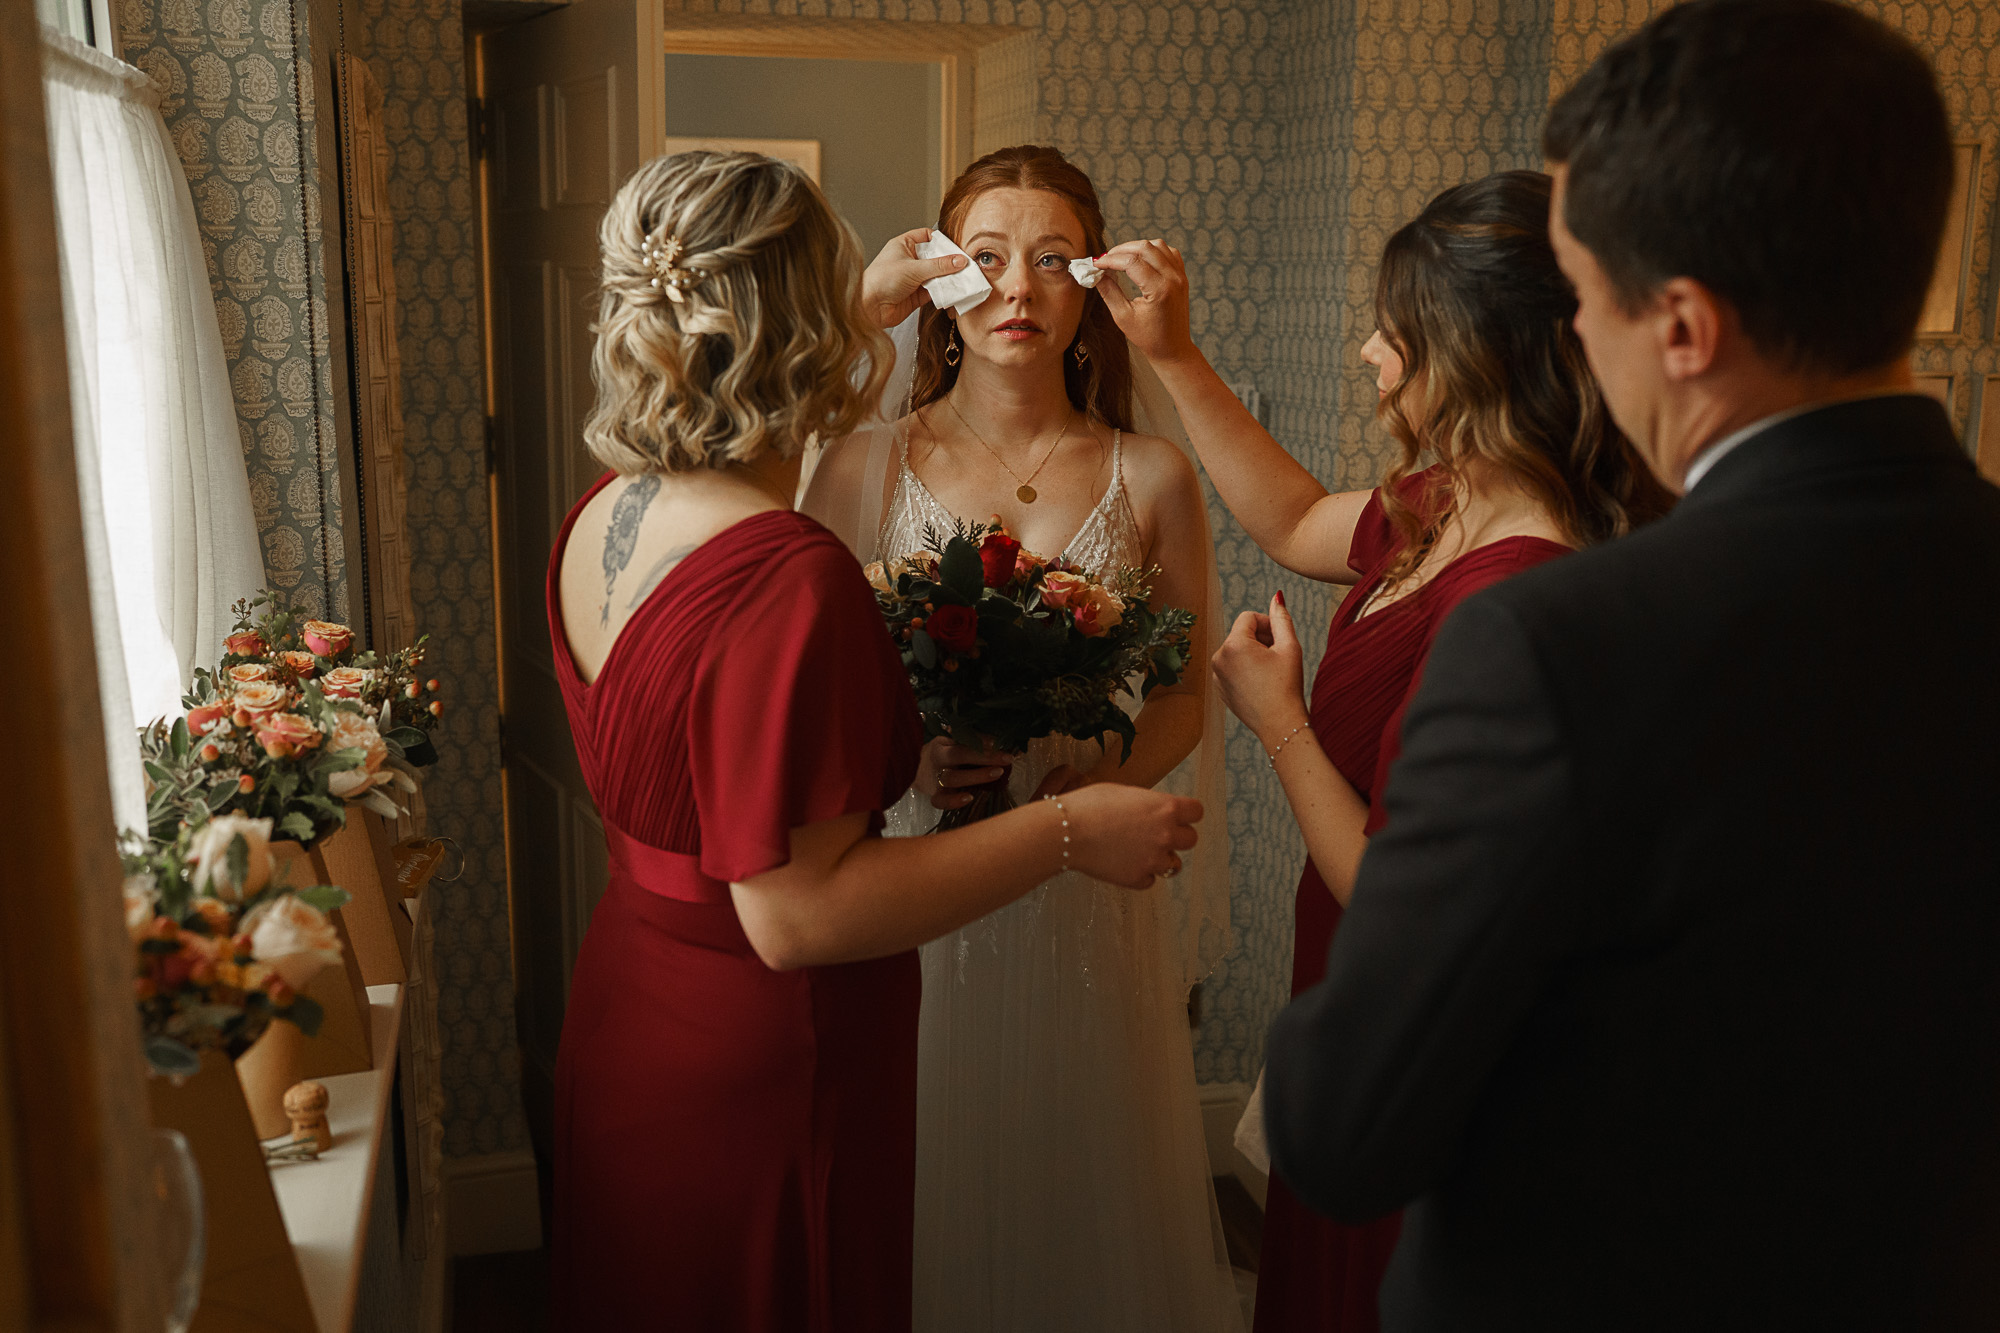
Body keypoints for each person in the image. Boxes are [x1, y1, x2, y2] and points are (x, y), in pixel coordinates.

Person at [1261, 2, 2000, 1328]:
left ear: (1682, 327)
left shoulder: (1555, 645)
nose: (1577, 355)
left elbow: (1346, 1129)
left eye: (1585, 303)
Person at [546, 150, 1202, 1333]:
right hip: (767, 1049)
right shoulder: (788, 568)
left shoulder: (602, 515)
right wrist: (1065, 824)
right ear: (819, 321)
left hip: (630, 1014)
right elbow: (795, 915)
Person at [1095, 170, 1668, 1331]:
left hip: (1413, 1001)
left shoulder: (1515, 589)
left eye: (1392, 332)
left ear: (1474, 353)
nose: (1366, 352)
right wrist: (1171, 354)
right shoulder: (1452, 496)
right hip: (1349, 983)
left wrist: (1278, 720)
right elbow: (1297, 519)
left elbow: (1389, 880)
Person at [805, 144, 1242, 1333]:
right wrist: (911, 763)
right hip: (913, 868)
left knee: (1074, 1159)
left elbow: (1183, 702)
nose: (1016, 290)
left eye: (1052, 260)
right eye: (985, 258)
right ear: (939, 286)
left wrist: (1077, 782)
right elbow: (816, 697)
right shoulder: (856, 465)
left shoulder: (1150, 476)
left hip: (1083, 898)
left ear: (1092, 283)